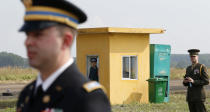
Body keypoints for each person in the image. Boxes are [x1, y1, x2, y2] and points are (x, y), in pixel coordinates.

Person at [16, 0, 111, 112]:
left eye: (38, 34)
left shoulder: (87, 98)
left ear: (66, 40)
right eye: (28, 35)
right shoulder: (27, 94)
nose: (28, 42)